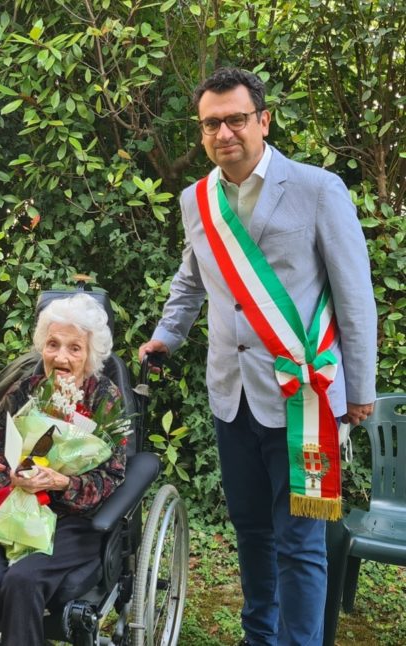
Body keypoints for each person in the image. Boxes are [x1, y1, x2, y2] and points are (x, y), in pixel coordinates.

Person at [139, 67, 376, 646]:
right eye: (211, 123)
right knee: (249, 529)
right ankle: (258, 637)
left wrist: (361, 389)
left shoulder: (318, 190)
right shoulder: (197, 201)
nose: (225, 133)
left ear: (262, 121)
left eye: (236, 119)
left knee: (300, 542)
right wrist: (166, 337)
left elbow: (355, 295)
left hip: (307, 400)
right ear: (202, 133)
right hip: (231, 394)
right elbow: (190, 281)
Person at [0, 293, 127, 646]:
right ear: (41, 347)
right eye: (53, 344)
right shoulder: (24, 390)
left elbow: (112, 477)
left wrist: (63, 481)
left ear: (90, 354)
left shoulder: (105, 398)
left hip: (71, 523)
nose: (61, 357)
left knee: (23, 580)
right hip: (13, 514)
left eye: (74, 348)